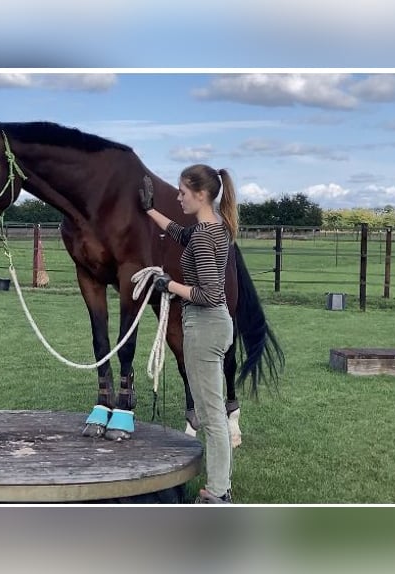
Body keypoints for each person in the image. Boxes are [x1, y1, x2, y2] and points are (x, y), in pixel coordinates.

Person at [139, 165, 238, 504]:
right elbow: (182, 234)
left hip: (205, 325)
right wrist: (149, 209)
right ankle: (220, 487)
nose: (178, 197)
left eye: (182, 192)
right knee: (212, 413)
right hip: (214, 325)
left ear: (200, 194)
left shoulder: (205, 234)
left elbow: (210, 292)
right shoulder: (213, 228)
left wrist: (170, 285)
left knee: (211, 416)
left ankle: (218, 491)